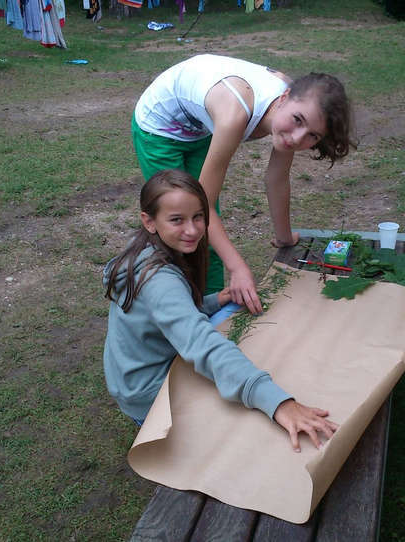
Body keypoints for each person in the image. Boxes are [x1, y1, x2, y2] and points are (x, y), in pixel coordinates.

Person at [103, 169, 338, 452]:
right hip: (149, 397)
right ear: (149, 221)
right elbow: (203, 344)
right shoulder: (160, 281)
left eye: (198, 216)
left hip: (130, 379)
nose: (192, 230)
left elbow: (169, 312)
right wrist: (279, 404)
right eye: (177, 220)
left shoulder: (143, 249)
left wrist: (216, 300)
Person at [131, 54, 354, 315]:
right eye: (298, 120)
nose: (297, 138)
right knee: (182, 224)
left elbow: (277, 178)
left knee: (204, 228)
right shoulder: (234, 116)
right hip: (160, 127)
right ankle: (175, 313)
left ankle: (210, 312)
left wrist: (284, 237)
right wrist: (238, 268)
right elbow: (203, 206)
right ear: (284, 98)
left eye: (312, 136)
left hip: (198, 127)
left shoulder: (292, 107)